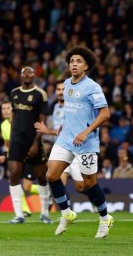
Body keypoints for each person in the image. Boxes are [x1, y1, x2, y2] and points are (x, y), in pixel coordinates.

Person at [46, 46, 113, 238]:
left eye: (78, 61)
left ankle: (105, 218)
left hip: (86, 142)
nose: (74, 64)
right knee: (52, 175)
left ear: (86, 66)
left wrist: (86, 131)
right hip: (66, 138)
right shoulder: (66, 83)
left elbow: (105, 113)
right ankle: (67, 213)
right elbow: (72, 110)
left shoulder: (93, 87)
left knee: (89, 184)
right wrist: (63, 126)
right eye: (72, 61)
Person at [7, 66, 52, 224]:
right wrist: (11, 141)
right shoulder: (14, 93)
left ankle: (45, 212)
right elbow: (14, 117)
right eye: (24, 73)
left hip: (34, 141)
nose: (27, 75)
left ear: (34, 76)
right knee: (13, 174)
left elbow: (42, 121)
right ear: (20, 76)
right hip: (16, 141)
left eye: (30, 73)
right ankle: (19, 214)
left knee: (41, 176)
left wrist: (36, 143)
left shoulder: (40, 94)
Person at [35, 81, 85, 194]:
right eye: (58, 89)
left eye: (63, 89)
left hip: (75, 150)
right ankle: (63, 209)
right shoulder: (55, 106)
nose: (61, 92)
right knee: (58, 182)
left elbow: (69, 132)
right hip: (61, 149)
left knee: (81, 187)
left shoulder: (73, 108)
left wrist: (47, 131)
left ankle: (96, 198)